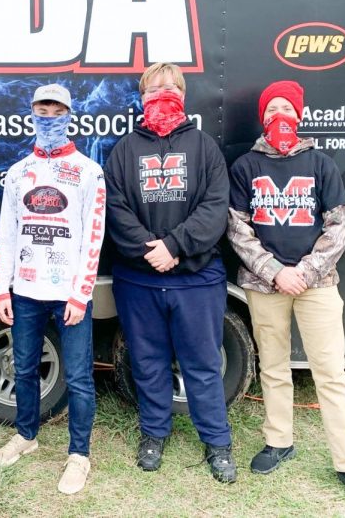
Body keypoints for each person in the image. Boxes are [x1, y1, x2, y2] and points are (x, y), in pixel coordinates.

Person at [227, 80, 345, 514]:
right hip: (264, 285)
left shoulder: (321, 164)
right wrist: (275, 272)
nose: (280, 115)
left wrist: (305, 272)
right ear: (263, 116)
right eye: (272, 108)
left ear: (299, 114)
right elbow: (237, 228)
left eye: (286, 108)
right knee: (273, 368)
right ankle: (279, 442)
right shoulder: (246, 166)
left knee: (330, 374)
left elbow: (340, 226)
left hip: (318, 286)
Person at [103, 62, 236, 483]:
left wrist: (174, 246)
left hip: (197, 279)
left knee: (202, 363)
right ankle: (153, 434)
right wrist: (152, 251)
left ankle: (217, 443)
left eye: (168, 86)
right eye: (152, 88)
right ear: (141, 98)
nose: (160, 93)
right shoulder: (124, 150)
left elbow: (215, 208)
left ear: (182, 93)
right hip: (139, 279)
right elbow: (115, 208)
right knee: (147, 362)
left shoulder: (204, 147)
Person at [0, 84, 106, 495]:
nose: (50, 114)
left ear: (69, 115)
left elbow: (94, 235)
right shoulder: (18, 172)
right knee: (23, 368)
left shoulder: (89, 171)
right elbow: (7, 233)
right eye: (43, 107)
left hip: (70, 293)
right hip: (25, 290)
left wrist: (80, 293)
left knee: (77, 377)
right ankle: (26, 436)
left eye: (58, 108)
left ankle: (79, 455)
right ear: (32, 112)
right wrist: (2, 290)